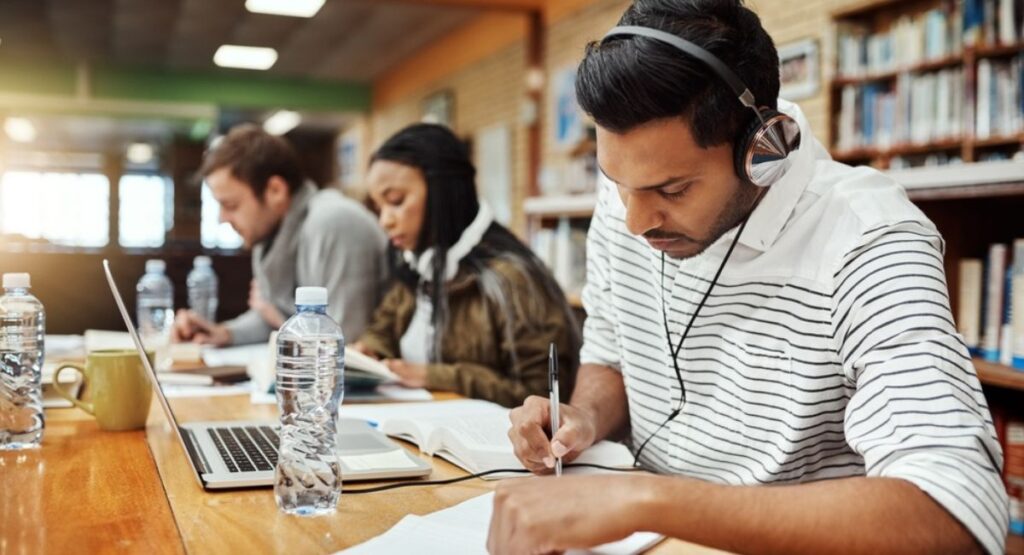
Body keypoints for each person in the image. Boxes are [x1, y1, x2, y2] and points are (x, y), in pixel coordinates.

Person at [495, 1, 1008, 554]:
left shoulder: (868, 237)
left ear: (762, 150)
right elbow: (613, 352)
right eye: (617, 182)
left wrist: (645, 501)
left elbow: (955, 514)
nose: (636, 221)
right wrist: (584, 418)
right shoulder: (630, 194)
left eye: (672, 190)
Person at [352, 123, 579, 408]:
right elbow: (382, 329)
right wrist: (368, 352)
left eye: (395, 201)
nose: (385, 220)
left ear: (442, 192)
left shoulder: (512, 278)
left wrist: (435, 376)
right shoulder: (418, 265)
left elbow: (542, 395)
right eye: (378, 207)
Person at [173, 124, 387, 346]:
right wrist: (223, 333)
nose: (222, 218)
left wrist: (279, 319)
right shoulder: (269, 235)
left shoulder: (335, 223)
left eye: (231, 205)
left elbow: (344, 345)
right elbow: (268, 318)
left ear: (275, 190)